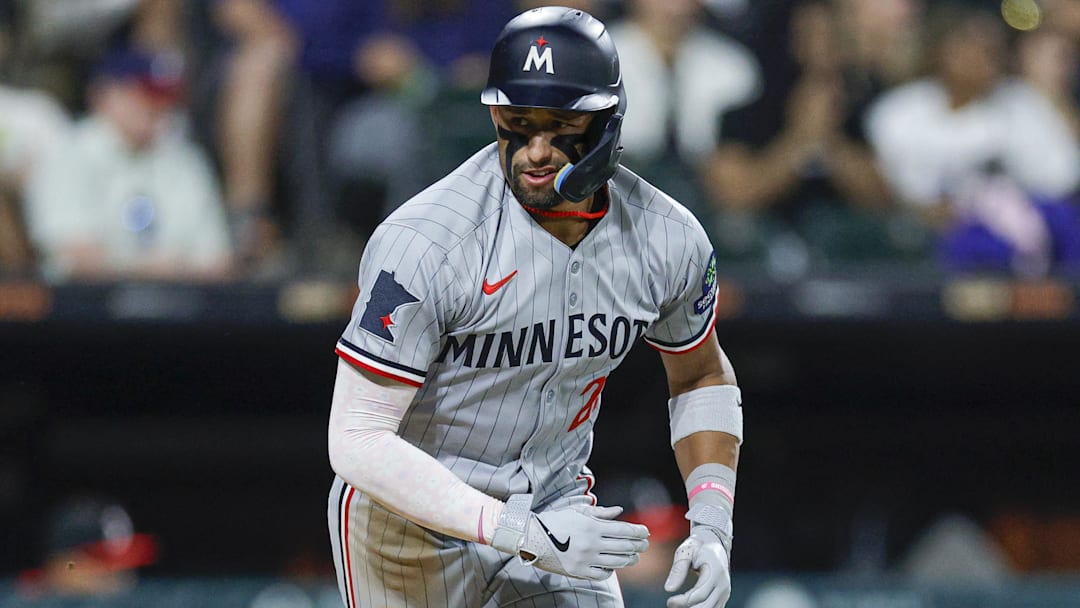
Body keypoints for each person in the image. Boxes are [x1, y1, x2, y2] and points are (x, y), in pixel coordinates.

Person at [326, 6, 744, 608]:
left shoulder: (666, 237)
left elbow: (701, 373)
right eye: (518, 124)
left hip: (556, 506)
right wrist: (519, 532)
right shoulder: (425, 242)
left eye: (560, 125)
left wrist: (710, 527)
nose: (536, 151)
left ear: (607, 122)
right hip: (409, 527)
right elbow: (357, 438)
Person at [23, 46, 234, 282]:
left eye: (164, 96)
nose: (157, 107)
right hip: (84, 309)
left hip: (181, 305)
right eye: (145, 94)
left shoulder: (183, 158)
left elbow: (217, 260)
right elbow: (76, 256)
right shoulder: (69, 152)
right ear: (105, 96)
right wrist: (152, 269)